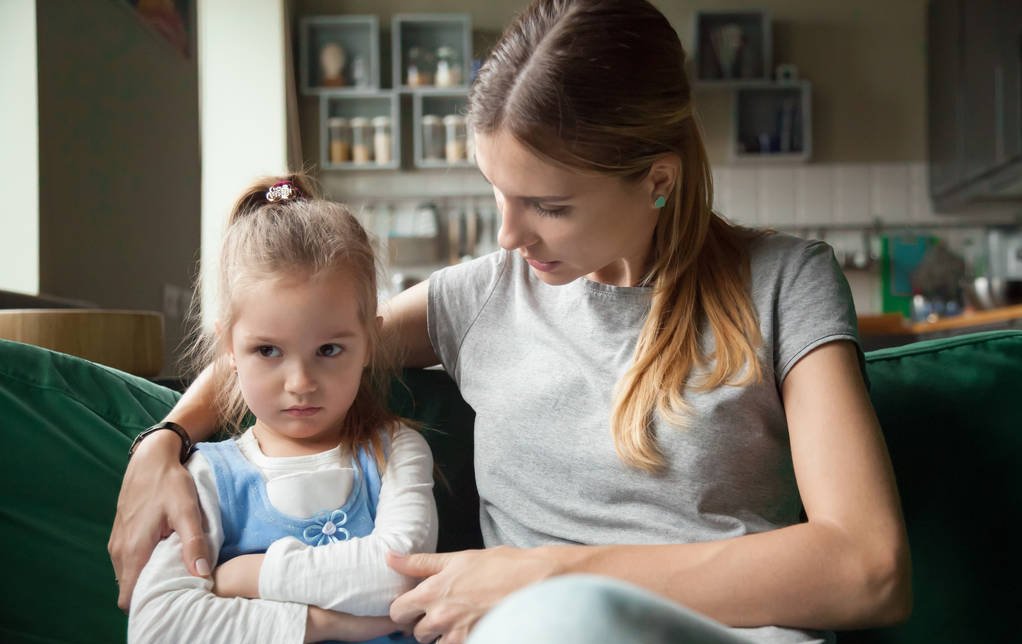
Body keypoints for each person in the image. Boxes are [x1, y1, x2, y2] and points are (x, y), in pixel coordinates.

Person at [111, 1, 912, 642]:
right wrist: (165, 440)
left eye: (549, 206)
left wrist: (550, 576)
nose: (508, 235)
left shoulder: (784, 283)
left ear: (657, 181)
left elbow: (868, 567)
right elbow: (298, 348)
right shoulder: (482, 297)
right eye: (499, 192)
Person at [126, 175, 437, 643]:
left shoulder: (395, 451)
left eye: (329, 349)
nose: (301, 383)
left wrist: (249, 576)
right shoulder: (207, 475)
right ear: (229, 348)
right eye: (268, 351)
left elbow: (401, 574)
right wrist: (325, 624)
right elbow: (157, 627)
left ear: (370, 342)